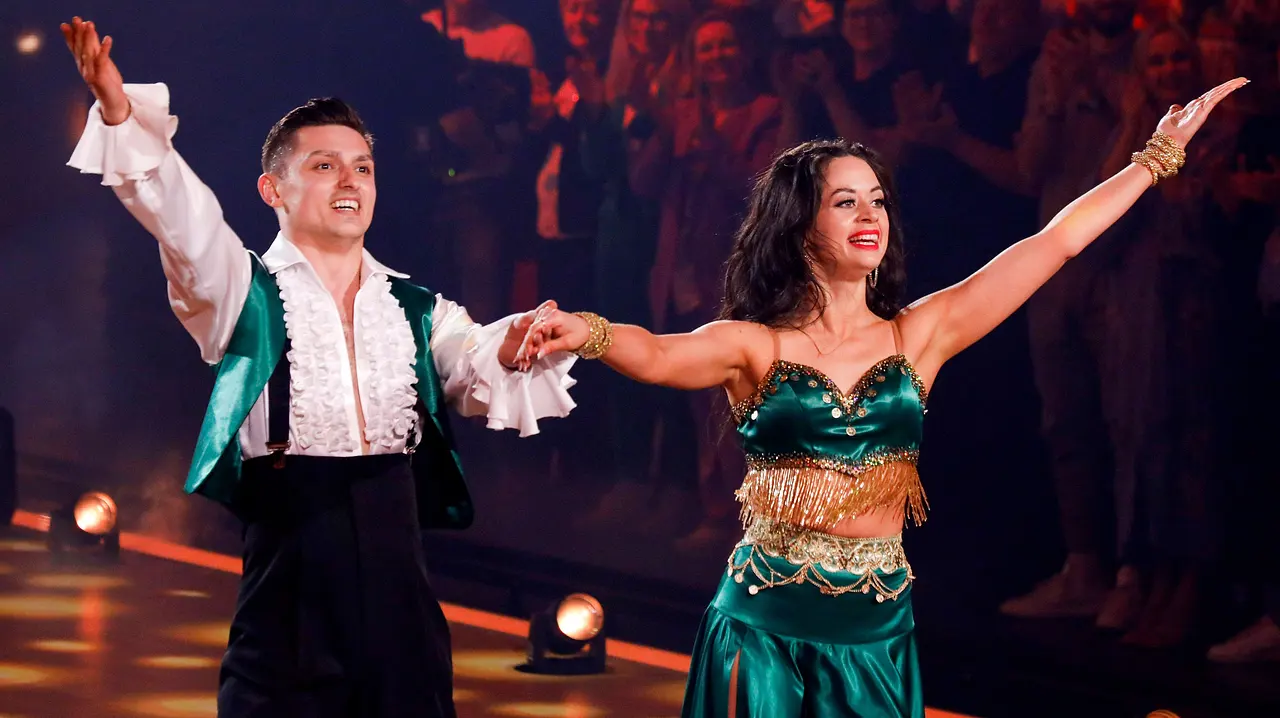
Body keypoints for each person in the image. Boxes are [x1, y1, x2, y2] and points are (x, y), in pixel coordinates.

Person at [517, 77, 1248, 716]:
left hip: (874, 625)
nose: (870, 216)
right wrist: (587, 330)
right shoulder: (753, 345)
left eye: (877, 201)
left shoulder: (919, 337)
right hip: (763, 623)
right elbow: (657, 353)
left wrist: (1155, 158)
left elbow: (1057, 241)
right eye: (845, 203)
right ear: (800, 226)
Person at [59, 17, 577, 718]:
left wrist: (517, 340)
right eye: (324, 165)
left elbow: (474, 355)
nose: (349, 180)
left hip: (401, 608)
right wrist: (122, 113)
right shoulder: (243, 292)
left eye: (362, 167)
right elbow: (185, 223)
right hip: (290, 599)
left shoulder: (417, 308)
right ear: (273, 190)